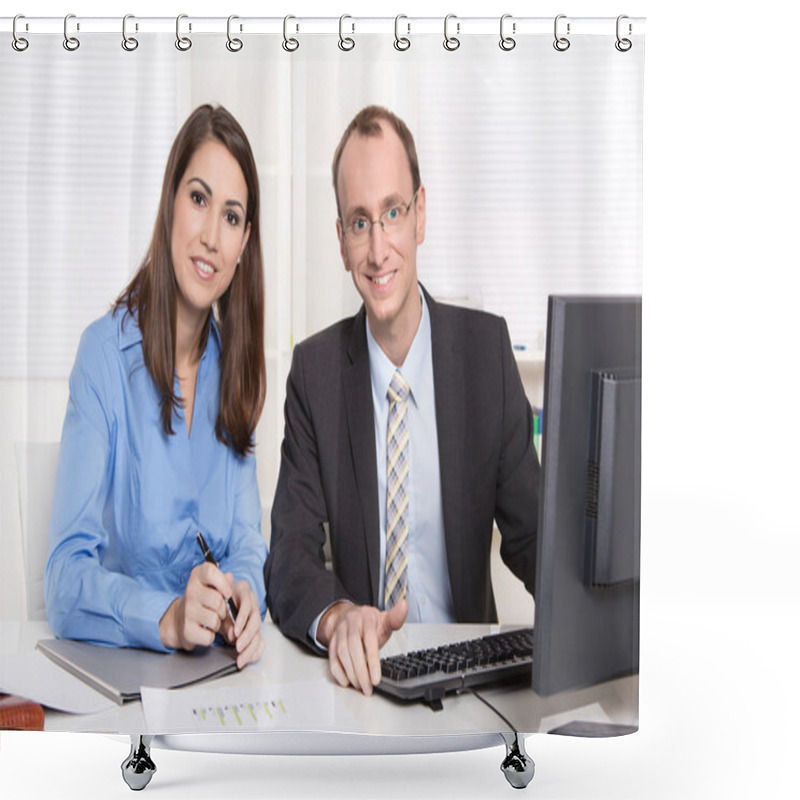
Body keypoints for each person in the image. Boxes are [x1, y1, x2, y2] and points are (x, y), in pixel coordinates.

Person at [265, 105, 539, 694]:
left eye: (392, 213)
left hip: (474, 685)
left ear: (420, 215)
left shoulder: (485, 354)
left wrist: (606, 615)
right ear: (341, 242)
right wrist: (338, 620)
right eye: (360, 223)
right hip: (364, 686)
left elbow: (534, 535)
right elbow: (288, 558)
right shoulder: (314, 375)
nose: (379, 247)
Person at [45, 105, 267, 669]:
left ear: (244, 247)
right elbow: (65, 579)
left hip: (220, 680)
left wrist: (246, 600)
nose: (211, 237)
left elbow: (245, 546)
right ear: (169, 204)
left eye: (233, 216)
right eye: (198, 199)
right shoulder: (102, 357)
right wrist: (165, 616)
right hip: (124, 681)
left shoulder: (236, 370)